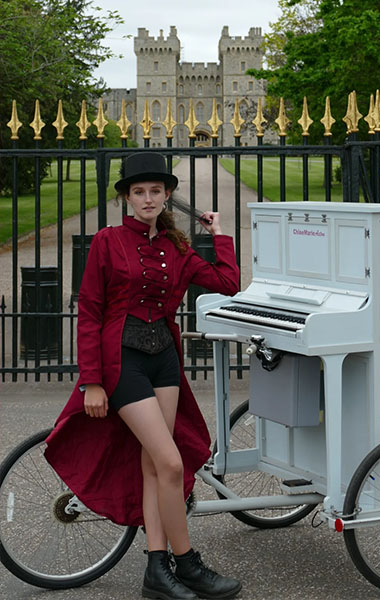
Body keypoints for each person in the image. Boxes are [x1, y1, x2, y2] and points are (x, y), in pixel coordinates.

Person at [44, 152, 242, 600]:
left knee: (155, 465)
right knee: (170, 463)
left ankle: (157, 568)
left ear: (167, 195)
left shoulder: (177, 248)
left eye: (155, 191)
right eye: (139, 192)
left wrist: (219, 234)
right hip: (123, 360)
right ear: (127, 198)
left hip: (164, 360)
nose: (148, 198)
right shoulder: (108, 241)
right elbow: (90, 310)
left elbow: (227, 284)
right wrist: (92, 380)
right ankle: (187, 563)